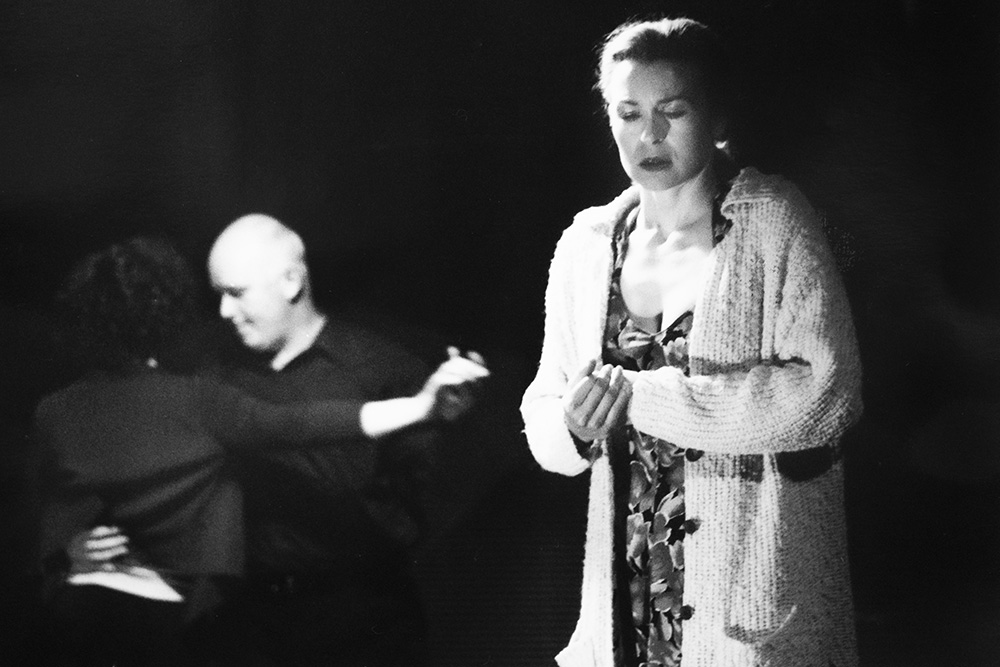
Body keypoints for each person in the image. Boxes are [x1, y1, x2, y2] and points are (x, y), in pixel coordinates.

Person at [520, 18, 863, 667]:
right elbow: (547, 408)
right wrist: (571, 424)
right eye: (628, 113)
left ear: (716, 112)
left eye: (672, 111)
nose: (648, 135)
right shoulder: (588, 245)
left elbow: (827, 395)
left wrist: (641, 396)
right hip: (625, 596)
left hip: (748, 605)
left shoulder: (771, 221)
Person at [34, 236, 487, 666]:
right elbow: (113, 486)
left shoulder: (384, 366)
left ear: (291, 282)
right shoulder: (204, 376)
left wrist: (423, 409)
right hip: (244, 625)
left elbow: (440, 504)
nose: (224, 310)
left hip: (362, 617)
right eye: (216, 295)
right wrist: (69, 550)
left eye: (236, 292)